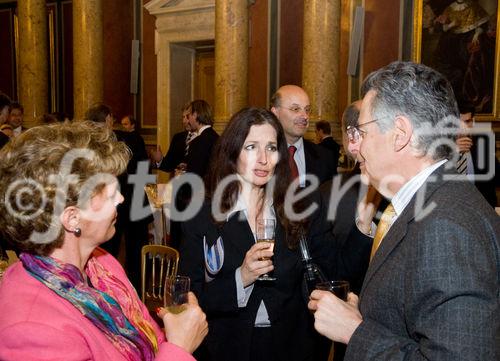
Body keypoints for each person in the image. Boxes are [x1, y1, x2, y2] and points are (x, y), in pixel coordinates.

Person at [308, 61, 500, 360]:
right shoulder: (435, 202)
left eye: (362, 131)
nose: (354, 147)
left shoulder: (446, 227)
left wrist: (355, 331)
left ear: (400, 133)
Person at [0, 121, 208, 360]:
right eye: (109, 193)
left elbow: (149, 337)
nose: (120, 198)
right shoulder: (31, 329)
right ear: (72, 217)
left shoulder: (101, 264)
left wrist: (173, 332)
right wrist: (180, 347)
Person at [179, 107, 327, 361]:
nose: (263, 159)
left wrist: (362, 224)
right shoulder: (202, 215)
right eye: (251, 147)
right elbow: (189, 297)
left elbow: (330, 272)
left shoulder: (296, 211)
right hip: (228, 346)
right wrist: (241, 278)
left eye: (271, 148)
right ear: (233, 151)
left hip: (290, 346)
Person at [85, 104, 150, 289]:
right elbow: (144, 170)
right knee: (136, 252)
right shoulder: (131, 138)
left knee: (104, 250)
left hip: (102, 202)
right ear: (108, 119)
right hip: (133, 199)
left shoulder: (85, 142)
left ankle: (103, 288)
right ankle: (136, 291)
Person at [270, 85, 337, 186]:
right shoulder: (262, 157)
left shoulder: (325, 158)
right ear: (275, 113)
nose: (305, 116)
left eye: (307, 110)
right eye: (296, 109)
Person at [455, 103, 499, 206]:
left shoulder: (484, 140)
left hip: (483, 207)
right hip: (453, 208)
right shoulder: (440, 145)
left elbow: (496, 176)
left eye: (467, 121)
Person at [153, 103, 195, 176]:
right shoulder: (178, 137)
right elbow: (168, 165)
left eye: (187, 117)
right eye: (183, 117)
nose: (184, 121)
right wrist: (160, 160)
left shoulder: (203, 138)